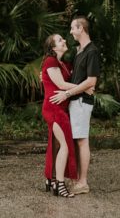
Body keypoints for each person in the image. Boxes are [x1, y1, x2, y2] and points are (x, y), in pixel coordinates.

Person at [50, 15, 100, 195]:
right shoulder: (79, 51)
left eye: (73, 28)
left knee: (81, 141)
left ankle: (83, 182)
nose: (70, 31)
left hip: (81, 102)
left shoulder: (92, 51)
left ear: (81, 29)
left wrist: (68, 93)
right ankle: (77, 178)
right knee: (76, 140)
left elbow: (91, 80)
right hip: (74, 101)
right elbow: (70, 76)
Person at [40, 33, 82, 198]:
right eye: (59, 40)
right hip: (54, 108)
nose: (64, 40)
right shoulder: (50, 61)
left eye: (63, 38)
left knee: (56, 145)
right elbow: (61, 84)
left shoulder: (62, 64)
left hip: (59, 108)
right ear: (52, 47)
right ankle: (60, 185)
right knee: (64, 145)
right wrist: (84, 87)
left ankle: (50, 180)